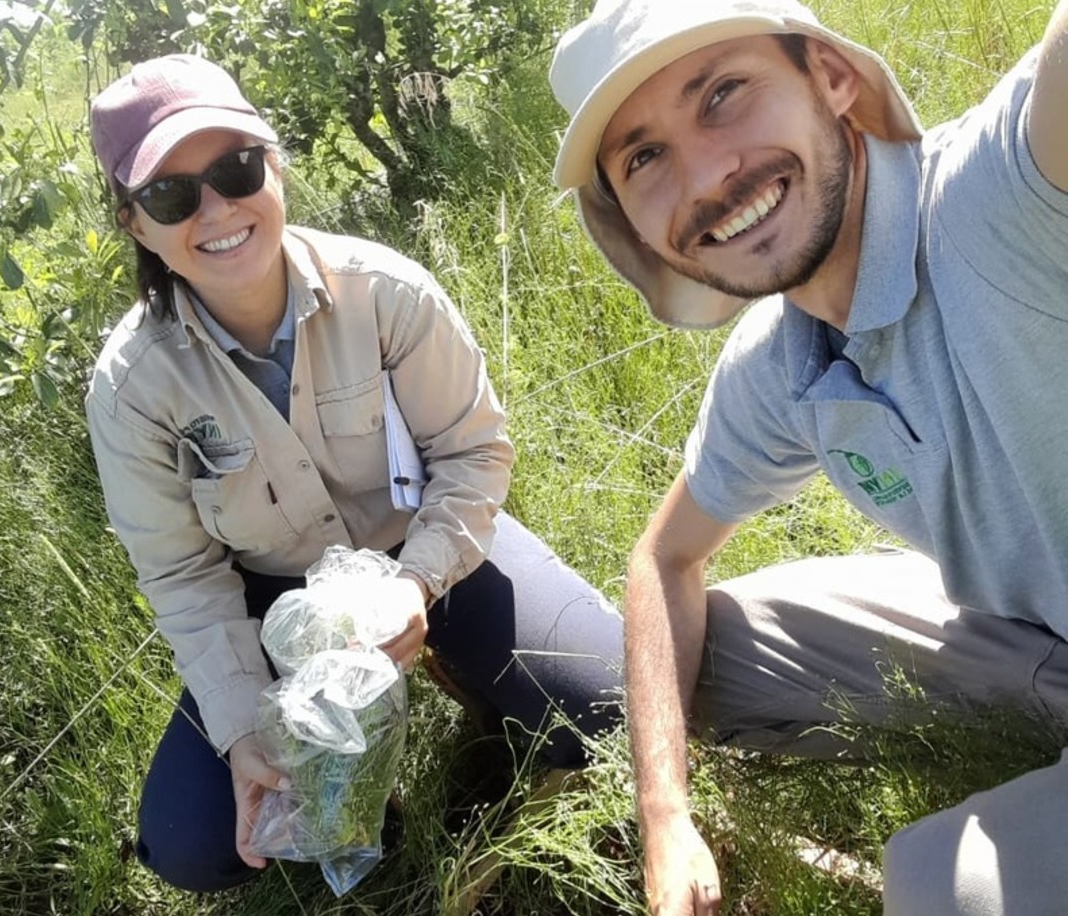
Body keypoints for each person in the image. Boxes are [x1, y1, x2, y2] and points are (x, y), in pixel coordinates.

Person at [548, 0, 1068, 913]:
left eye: (723, 93)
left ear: (832, 78)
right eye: (644, 156)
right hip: (1036, 625)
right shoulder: (779, 364)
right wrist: (664, 812)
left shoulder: (1005, 191)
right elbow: (662, 560)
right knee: (711, 663)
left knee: (933, 885)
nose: (709, 174)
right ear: (628, 222)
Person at [85, 53, 623, 894]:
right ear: (134, 224)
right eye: (171, 194)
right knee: (194, 848)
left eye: (236, 169)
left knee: (610, 705)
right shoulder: (131, 390)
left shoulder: (387, 294)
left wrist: (419, 584)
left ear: (276, 167)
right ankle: (372, 789)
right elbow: (184, 575)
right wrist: (239, 731)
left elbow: (473, 454)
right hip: (271, 602)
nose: (218, 209)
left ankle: (463, 677)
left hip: (423, 557)